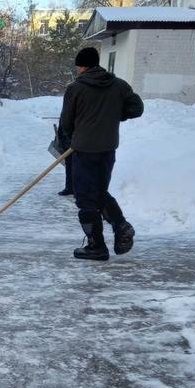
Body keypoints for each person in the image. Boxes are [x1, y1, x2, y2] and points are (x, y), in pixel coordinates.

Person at [59, 47, 143, 261]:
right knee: (98, 193)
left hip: (84, 150)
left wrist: (71, 139)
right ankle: (121, 226)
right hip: (107, 149)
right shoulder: (119, 85)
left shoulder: (75, 88)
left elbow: (66, 123)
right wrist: (114, 115)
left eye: (78, 65)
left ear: (82, 65)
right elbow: (137, 108)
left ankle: (97, 246)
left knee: (86, 199)